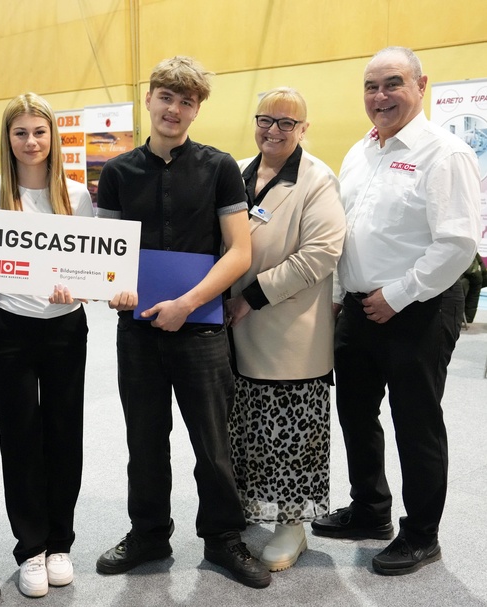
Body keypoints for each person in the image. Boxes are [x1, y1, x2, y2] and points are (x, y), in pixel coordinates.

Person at [94, 56, 270, 589]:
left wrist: (187, 304)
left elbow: (239, 252)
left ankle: (223, 537)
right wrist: (110, 286)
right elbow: (107, 258)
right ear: (149, 99)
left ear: (197, 109)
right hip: (138, 332)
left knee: (213, 445)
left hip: (202, 330)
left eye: (186, 101)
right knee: (144, 441)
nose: (174, 109)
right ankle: (149, 533)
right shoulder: (117, 173)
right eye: (166, 97)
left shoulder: (219, 168)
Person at [311, 46, 481, 576]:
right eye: (371, 86)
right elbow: (345, 232)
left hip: (419, 309)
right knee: (356, 413)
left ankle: (422, 534)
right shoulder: (360, 151)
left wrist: (398, 295)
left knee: (415, 422)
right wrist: (338, 294)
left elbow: (457, 244)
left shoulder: (444, 153)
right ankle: (370, 510)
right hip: (359, 307)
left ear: (420, 85)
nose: (380, 96)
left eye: (392, 83)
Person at [0, 93, 93, 598]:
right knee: (18, 438)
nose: (31, 141)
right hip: (10, 328)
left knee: (64, 433)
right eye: (21, 133)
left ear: (53, 136)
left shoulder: (76, 195)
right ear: (7, 138)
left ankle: (60, 543)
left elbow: (91, 268)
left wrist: (79, 288)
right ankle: (31, 548)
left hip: (65, 329)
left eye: (40, 132)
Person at [225, 87, 345, 572]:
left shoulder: (317, 179)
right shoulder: (236, 171)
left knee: (291, 436)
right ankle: (250, 507)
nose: (273, 130)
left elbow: (321, 254)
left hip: (287, 330)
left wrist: (250, 298)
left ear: (303, 128)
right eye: (265, 120)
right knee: (248, 431)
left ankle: (293, 526)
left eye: (286, 123)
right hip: (231, 328)